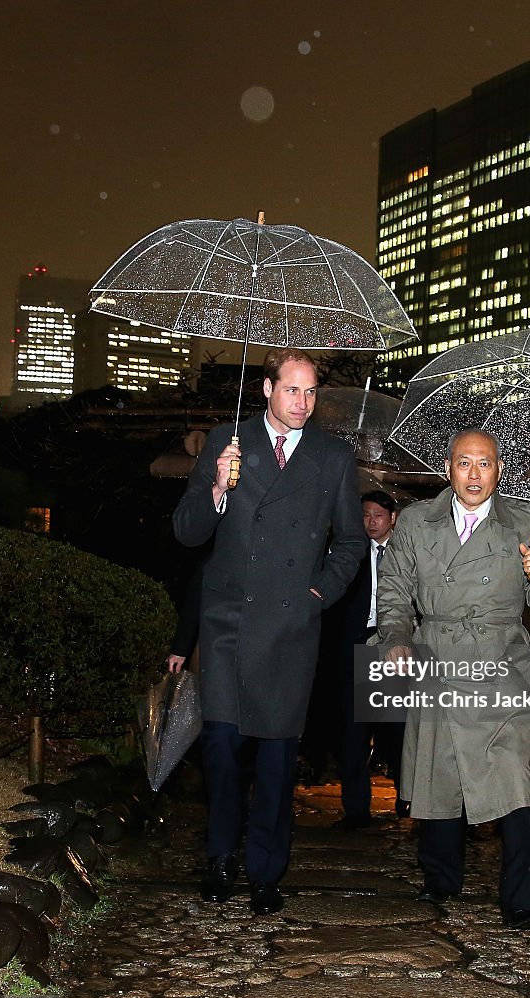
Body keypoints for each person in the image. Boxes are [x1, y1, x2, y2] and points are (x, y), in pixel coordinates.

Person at [172, 347, 367, 914]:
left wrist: (319, 593)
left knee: (278, 761)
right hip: (229, 621)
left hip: (290, 626)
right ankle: (219, 859)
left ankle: (265, 872)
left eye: (310, 393)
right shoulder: (226, 443)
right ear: (266, 389)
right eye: (291, 390)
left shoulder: (332, 457)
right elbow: (187, 533)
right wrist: (216, 489)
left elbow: (352, 540)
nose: (302, 403)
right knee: (223, 751)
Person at [375, 428, 530, 930]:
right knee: (438, 770)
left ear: (498, 470)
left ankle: (524, 899)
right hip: (439, 655)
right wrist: (396, 636)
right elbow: (393, 587)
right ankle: (440, 878)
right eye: (465, 463)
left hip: (502, 662)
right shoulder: (417, 521)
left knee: (516, 776)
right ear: (448, 468)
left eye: (485, 464)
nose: (475, 474)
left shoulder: (526, 522)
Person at [329, 490, 407, 829]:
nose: (371, 521)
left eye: (378, 514)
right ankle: (356, 809)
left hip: (394, 644)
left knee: (399, 728)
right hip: (355, 644)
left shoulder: (407, 553)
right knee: (353, 731)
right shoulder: (350, 552)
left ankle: (409, 799)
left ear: (392, 518)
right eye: (365, 515)